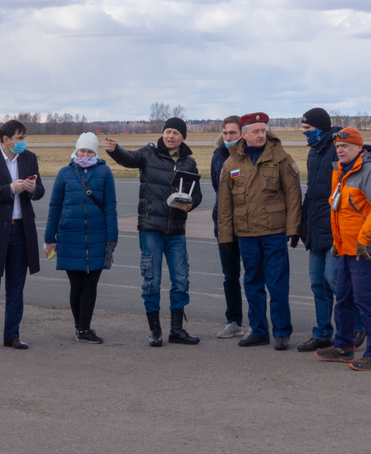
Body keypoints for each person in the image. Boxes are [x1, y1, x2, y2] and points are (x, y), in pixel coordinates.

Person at [105, 117, 202, 347]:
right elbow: (129, 159)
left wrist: (192, 204)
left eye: (176, 133)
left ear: (183, 137)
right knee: (152, 279)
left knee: (181, 279)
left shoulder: (189, 162)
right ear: (163, 133)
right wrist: (115, 150)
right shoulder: (149, 153)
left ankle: (176, 329)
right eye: (168, 131)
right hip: (151, 228)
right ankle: (155, 330)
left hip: (177, 230)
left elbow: (196, 193)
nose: (171, 136)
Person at [216, 112, 302, 351]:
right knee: (252, 282)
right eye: (256, 131)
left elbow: (294, 195)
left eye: (263, 130)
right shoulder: (231, 163)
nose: (261, 134)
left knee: (277, 284)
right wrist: (225, 236)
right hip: (246, 234)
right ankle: (259, 331)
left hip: (274, 233)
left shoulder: (281, 158)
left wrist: (293, 229)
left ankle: (282, 332)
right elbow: (224, 204)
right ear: (244, 134)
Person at [314, 128, 371, 371]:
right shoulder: (340, 171)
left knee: (367, 301)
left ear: (360, 148)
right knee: (344, 300)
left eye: (345, 146)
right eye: (338, 146)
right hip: (346, 249)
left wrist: (364, 238)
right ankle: (343, 346)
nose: (340, 150)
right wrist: (338, 244)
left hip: (366, 250)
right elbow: (340, 211)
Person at [0, 120, 46, 354]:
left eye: (24, 138)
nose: (23, 142)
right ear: (6, 139)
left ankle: (12, 335)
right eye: (19, 138)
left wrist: (32, 189)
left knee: (16, 286)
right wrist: (10, 189)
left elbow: (40, 190)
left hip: (21, 230)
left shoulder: (29, 158)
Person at [295, 108, 365, 352]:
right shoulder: (313, 154)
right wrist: (301, 224)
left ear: (320, 129)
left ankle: (356, 326)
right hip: (315, 229)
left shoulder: (337, 151)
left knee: (335, 280)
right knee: (317, 284)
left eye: (308, 130)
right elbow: (311, 192)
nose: (305, 134)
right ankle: (322, 332)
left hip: (335, 230)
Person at [44, 132, 118, 344]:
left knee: (90, 285)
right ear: (76, 150)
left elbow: (111, 206)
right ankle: (80, 327)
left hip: (97, 238)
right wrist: (50, 238)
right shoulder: (64, 173)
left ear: (96, 152)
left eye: (89, 151)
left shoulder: (104, 172)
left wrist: (112, 237)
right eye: (82, 150)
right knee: (76, 285)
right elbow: (54, 207)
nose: (85, 154)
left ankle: (84, 327)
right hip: (69, 237)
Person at [210, 116, 245, 339]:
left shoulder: (249, 155)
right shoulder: (218, 156)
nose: (228, 137)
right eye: (225, 133)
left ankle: (259, 323)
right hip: (224, 224)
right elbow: (218, 188)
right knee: (230, 275)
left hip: (249, 225)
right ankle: (234, 321)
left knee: (254, 275)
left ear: (242, 133)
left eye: (232, 132)